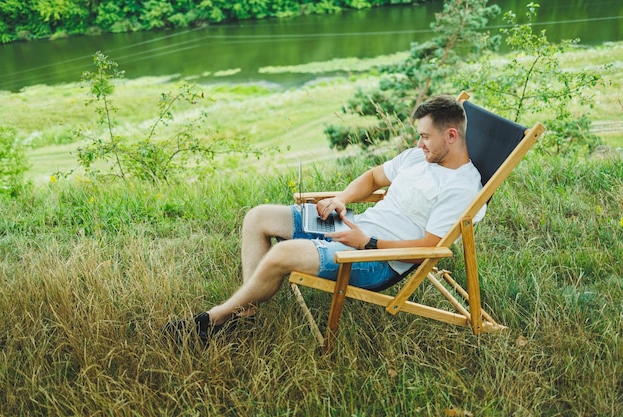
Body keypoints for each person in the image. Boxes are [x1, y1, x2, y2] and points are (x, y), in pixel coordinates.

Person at [163, 94, 486, 344]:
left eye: (425, 136)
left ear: (452, 135)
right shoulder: (418, 157)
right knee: (258, 217)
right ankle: (246, 312)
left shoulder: (460, 186)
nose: (419, 143)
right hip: (354, 229)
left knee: (282, 253)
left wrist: (369, 243)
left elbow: (432, 246)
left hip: (378, 259)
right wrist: (341, 199)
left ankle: (216, 319)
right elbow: (374, 177)